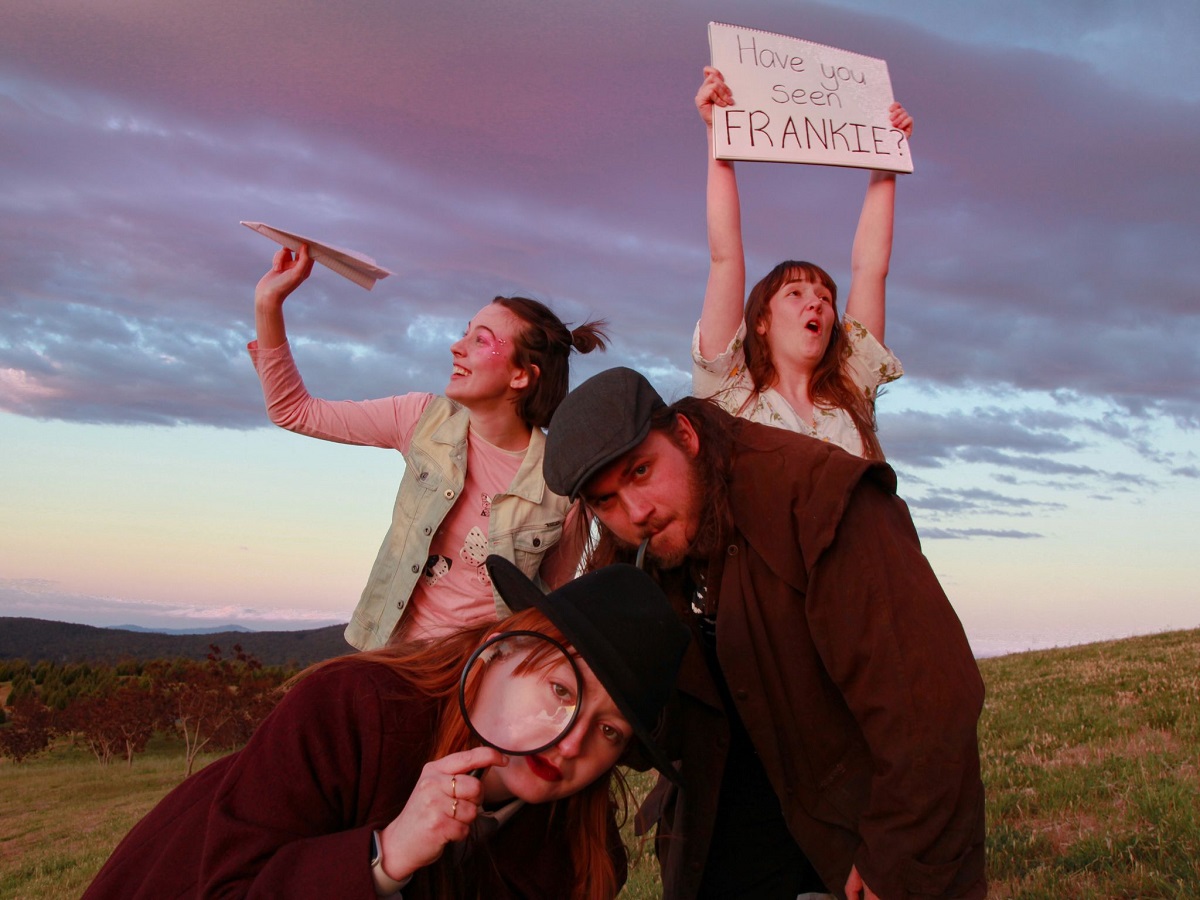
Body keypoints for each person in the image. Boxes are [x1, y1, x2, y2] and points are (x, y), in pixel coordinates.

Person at [543, 367, 987, 900]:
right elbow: (659, 731)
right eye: (604, 501)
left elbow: (928, 707)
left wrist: (893, 860)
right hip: (727, 841)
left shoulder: (820, 499)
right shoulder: (631, 553)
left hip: (852, 838)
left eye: (641, 471)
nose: (636, 512)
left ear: (685, 434)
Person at [83, 555, 690, 900]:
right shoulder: (352, 710)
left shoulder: (583, 859)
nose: (574, 740)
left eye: (610, 731)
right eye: (561, 690)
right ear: (502, 650)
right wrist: (385, 854)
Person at [250, 244, 608, 648]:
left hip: (478, 680)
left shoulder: (562, 481)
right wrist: (268, 302)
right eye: (465, 333)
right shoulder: (422, 420)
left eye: (481, 340)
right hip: (388, 658)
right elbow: (293, 411)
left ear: (522, 376)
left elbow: (546, 607)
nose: (457, 347)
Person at [692, 66, 913, 460]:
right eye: (795, 293)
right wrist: (717, 133)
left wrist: (886, 157)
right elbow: (724, 257)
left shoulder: (851, 390)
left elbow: (871, 268)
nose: (816, 303)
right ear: (760, 321)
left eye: (825, 298)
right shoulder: (728, 388)